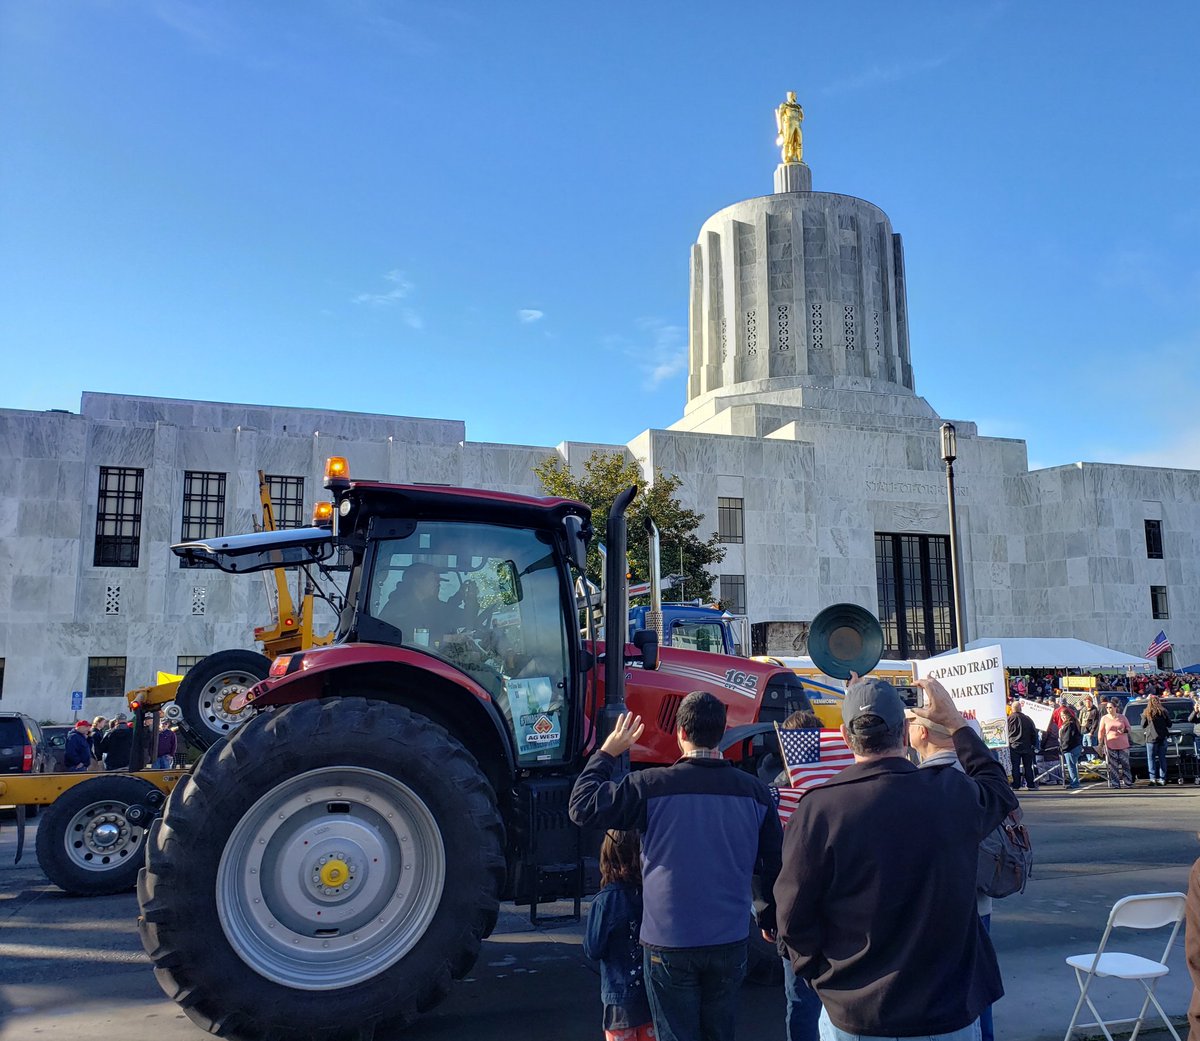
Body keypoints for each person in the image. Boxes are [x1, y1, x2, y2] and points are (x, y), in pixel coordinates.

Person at [775, 676, 1017, 1041]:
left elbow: (792, 917)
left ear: (845, 736)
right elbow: (998, 786)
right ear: (904, 732)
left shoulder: (819, 810)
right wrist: (955, 722)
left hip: (857, 1012)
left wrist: (821, 977)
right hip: (945, 1012)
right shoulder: (952, 793)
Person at [569, 691, 783, 1041]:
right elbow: (770, 864)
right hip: (729, 938)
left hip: (668, 941)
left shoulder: (650, 787)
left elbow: (581, 807)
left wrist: (607, 752)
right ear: (722, 731)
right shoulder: (755, 793)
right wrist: (767, 915)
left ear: (680, 732)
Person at [906, 712, 1000, 1041]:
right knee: (978, 991)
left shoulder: (935, 780)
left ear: (922, 733)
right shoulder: (972, 772)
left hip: (945, 906)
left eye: (911, 723)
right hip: (978, 899)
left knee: (957, 997)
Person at [771, 709, 825, 1041]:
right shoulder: (840, 785)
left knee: (799, 1000)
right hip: (837, 908)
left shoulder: (773, 793)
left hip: (791, 913)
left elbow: (766, 859)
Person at [584, 829, 655, 1041]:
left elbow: (593, 949)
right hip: (651, 997)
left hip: (619, 1000)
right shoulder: (651, 894)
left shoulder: (604, 901)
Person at [381, 562, 478, 650]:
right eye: (433, 579)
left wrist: (466, 597)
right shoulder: (399, 606)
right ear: (417, 581)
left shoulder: (429, 605)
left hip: (432, 657)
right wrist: (452, 638)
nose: (437, 584)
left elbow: (455, 614)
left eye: (438, 581)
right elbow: (408, 635)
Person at [1097, 701, 1133, 789]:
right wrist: (1100, 744)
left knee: (1125, 764)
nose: (1109, 709)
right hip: (1110, 744)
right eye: (1107, 708)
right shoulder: (1104, 718)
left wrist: (1124, 730)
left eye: (1110, 707)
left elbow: (1129, 728)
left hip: (1123, 744)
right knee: (1113, 765)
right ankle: (1115, 783)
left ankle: (1128, 782)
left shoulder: (1122, 717)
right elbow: (1101, 732)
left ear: (1115, 708)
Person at [1008, 700, 1038, 791]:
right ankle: (1030, 784)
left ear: (1012, 709)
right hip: (1026, 745)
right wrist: (1033, 744)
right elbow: (1034, 732)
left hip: (1013, 745)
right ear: (1020, 708)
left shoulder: (1009, 719)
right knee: (1028, 766)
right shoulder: (1027, 719)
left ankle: (1016, 785)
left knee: (1015, 766)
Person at [1141, 695, 1171, 786]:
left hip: (1151, 738)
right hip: (1162, 738)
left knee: (1151, 759)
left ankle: (1153, 779)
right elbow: (1169, 724)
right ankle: (1162, 779)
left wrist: (1144, 717)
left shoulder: (1146, 712)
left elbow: (1143, 725)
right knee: (1162, 759)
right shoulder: (1164, 711)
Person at [1058, 704, 1083, 790]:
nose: (1063, 717)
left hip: (1070, 748)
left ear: (1068, 715)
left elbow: (1067, 738)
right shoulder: (1073, 722)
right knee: (1072, 766)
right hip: (1075, 747)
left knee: (1071, 766)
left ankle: (1074, 783)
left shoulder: (1069, 724)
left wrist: (1063, 748)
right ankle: (1074, 782)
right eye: (1061, 716)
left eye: (1064, 715)